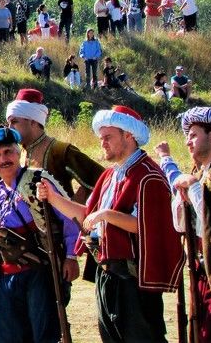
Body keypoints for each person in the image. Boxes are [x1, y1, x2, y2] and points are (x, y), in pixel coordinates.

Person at [37, 106, 184, 343]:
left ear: (129, 135)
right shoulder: (110, 175)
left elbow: (146, 226)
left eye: (108, 137)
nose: (102, 143)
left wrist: (106, 214)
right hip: (107, 274)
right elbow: (87, 215)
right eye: (100, 137)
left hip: (133, 279)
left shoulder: (148, 176)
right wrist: (53, 198)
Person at [0, 127, 80, 343]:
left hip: (39, 275)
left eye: (8, 152)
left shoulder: (38, 181)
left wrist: (71, 256)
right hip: (5, 280)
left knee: (44, 337)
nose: (3, 159)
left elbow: (68, 219)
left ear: (18, 153)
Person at [155, 107, 211, 341]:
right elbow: (181, 225)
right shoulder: (200, 172)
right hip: (202, 271)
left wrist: (193, 186)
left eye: (193, 135)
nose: (187, 142)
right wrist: (183, 192)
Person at [5, 88, 105, 205]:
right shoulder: (21, 152)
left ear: (33, 121)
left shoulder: (60, 150)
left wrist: (73, 207)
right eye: (8, 123)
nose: (10, 128)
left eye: (14, 122)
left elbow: (102, 179)